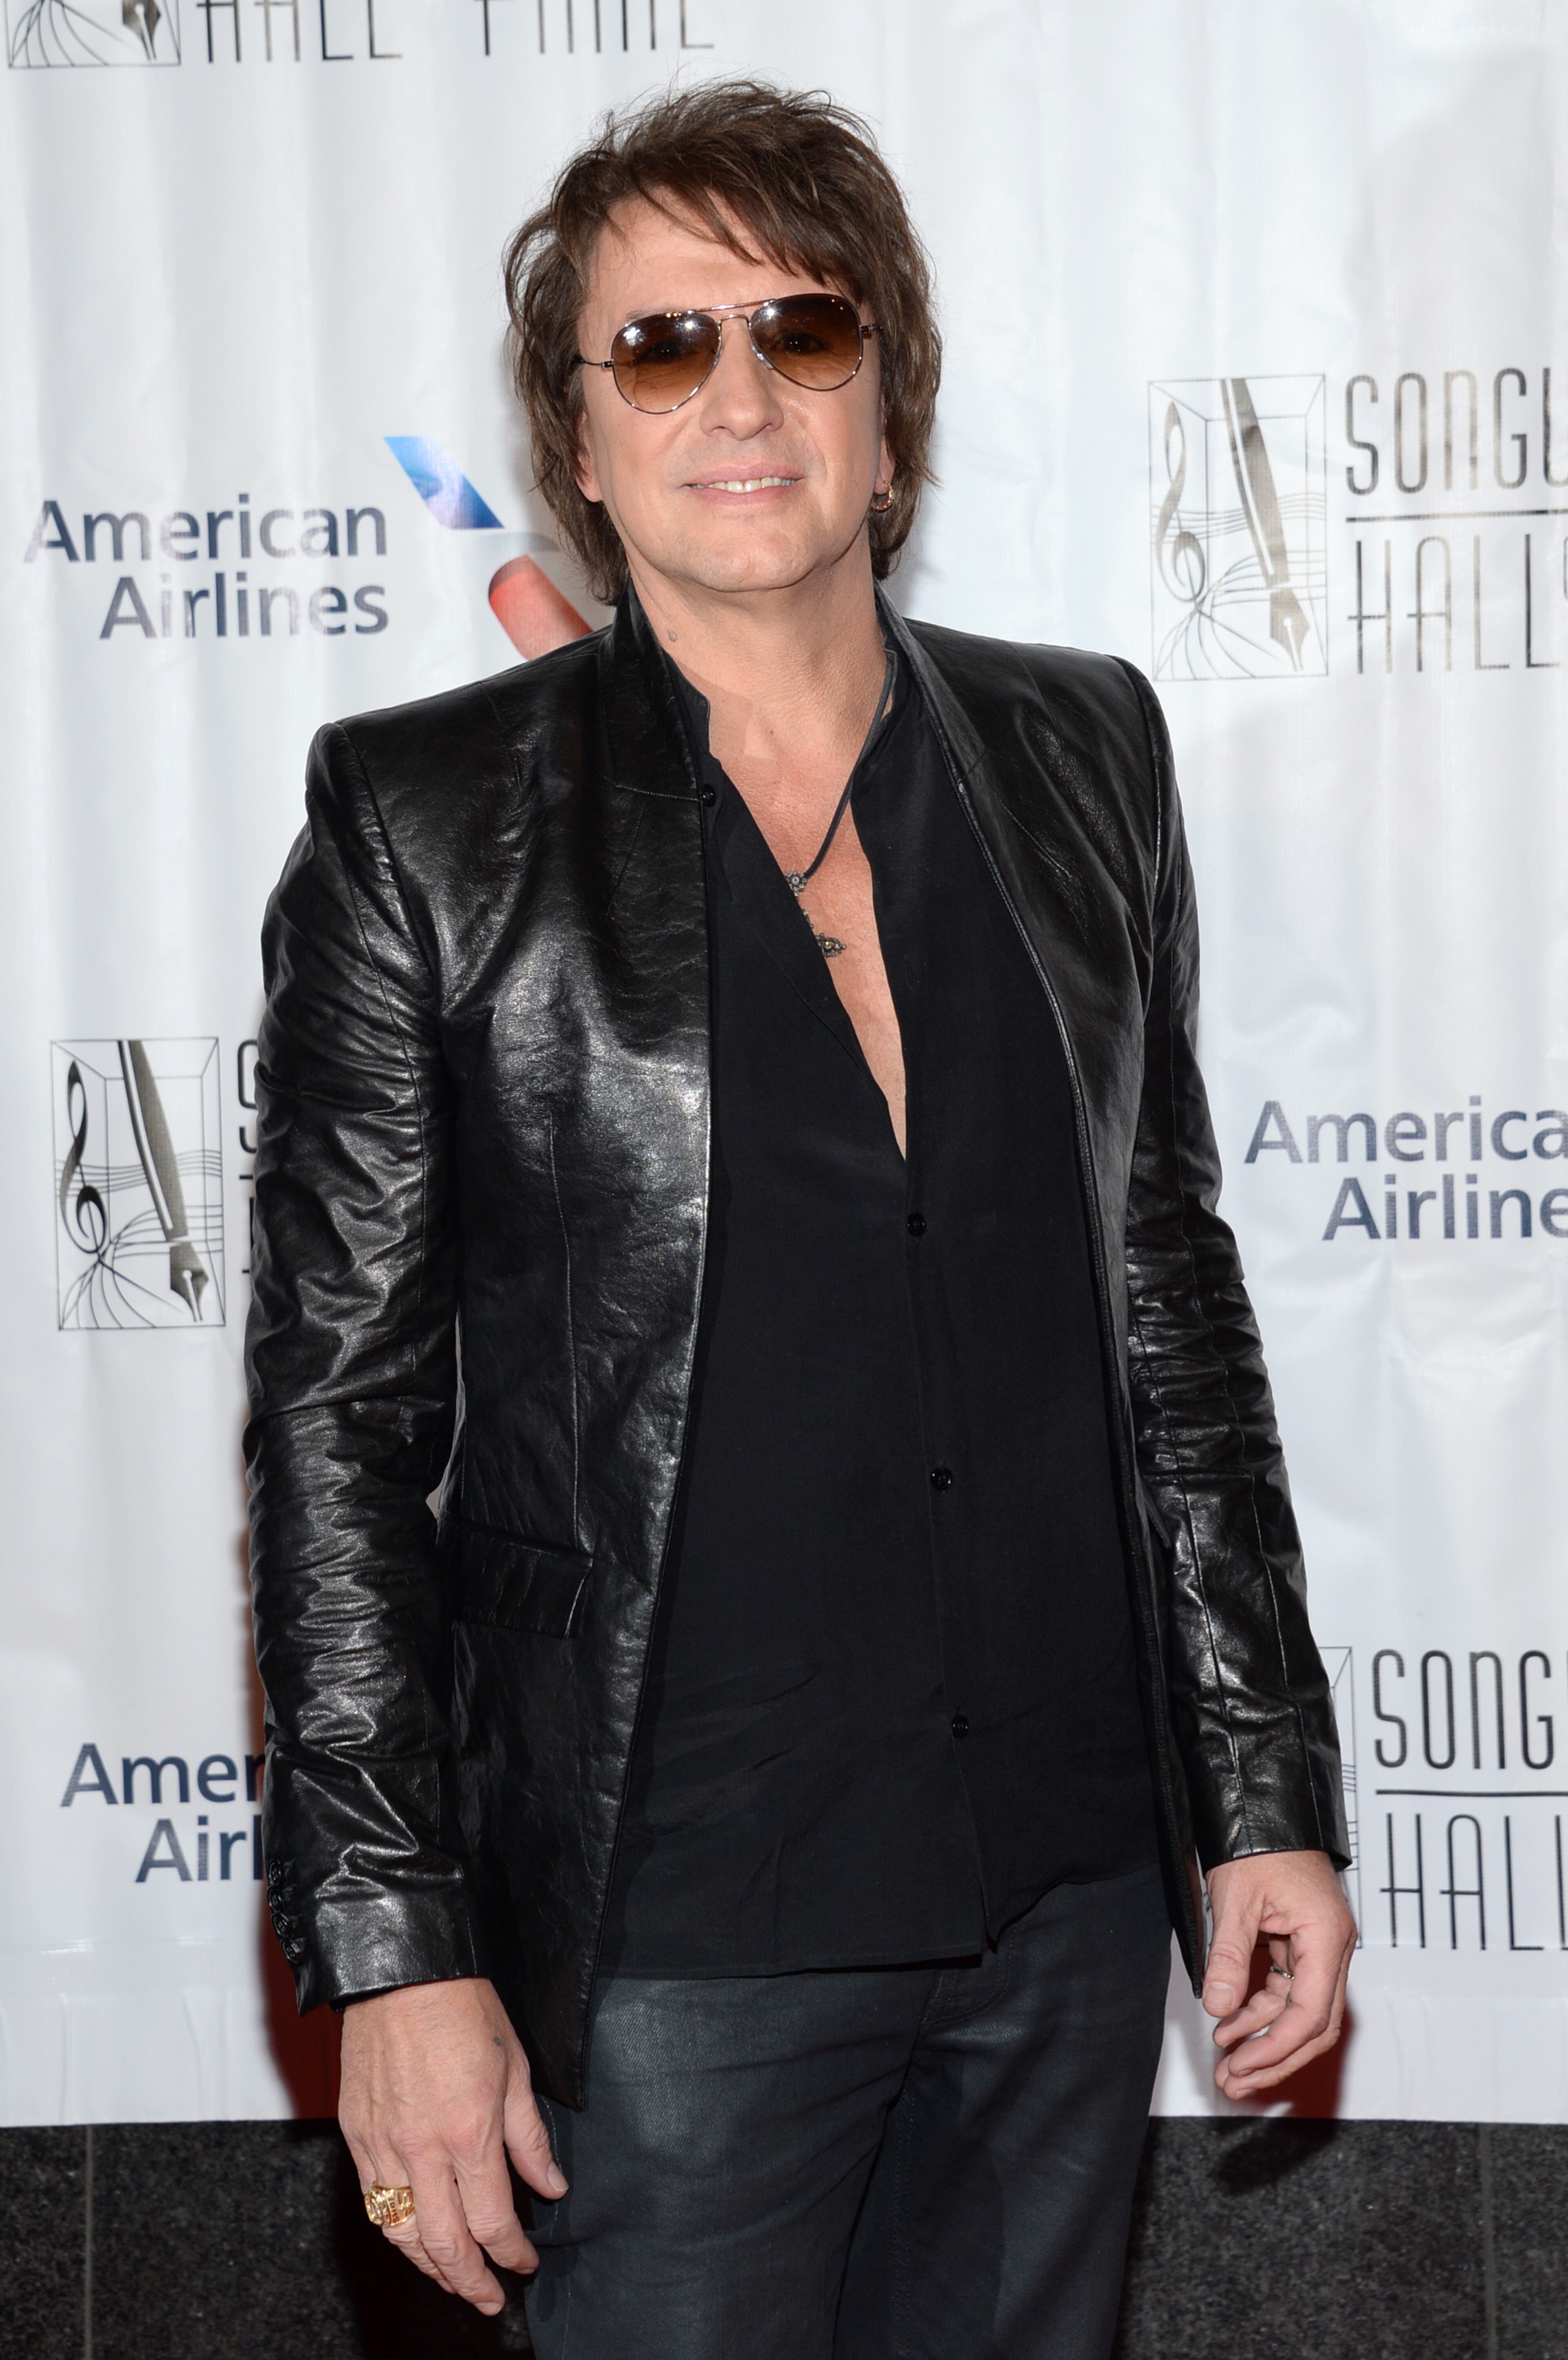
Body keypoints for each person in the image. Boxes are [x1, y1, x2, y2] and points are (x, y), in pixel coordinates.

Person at [245, 78, 1355, 2360]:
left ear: (889, 404)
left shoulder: (1084, 751)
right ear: (579, 435)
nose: (739, 396)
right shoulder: (427, 824)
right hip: (675, 1935)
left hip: (1060, 1898)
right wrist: (394, 1948)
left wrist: (1263, 1794)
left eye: (803, 329)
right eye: (663, 346)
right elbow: (337, 1434)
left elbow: (1168, 1296)